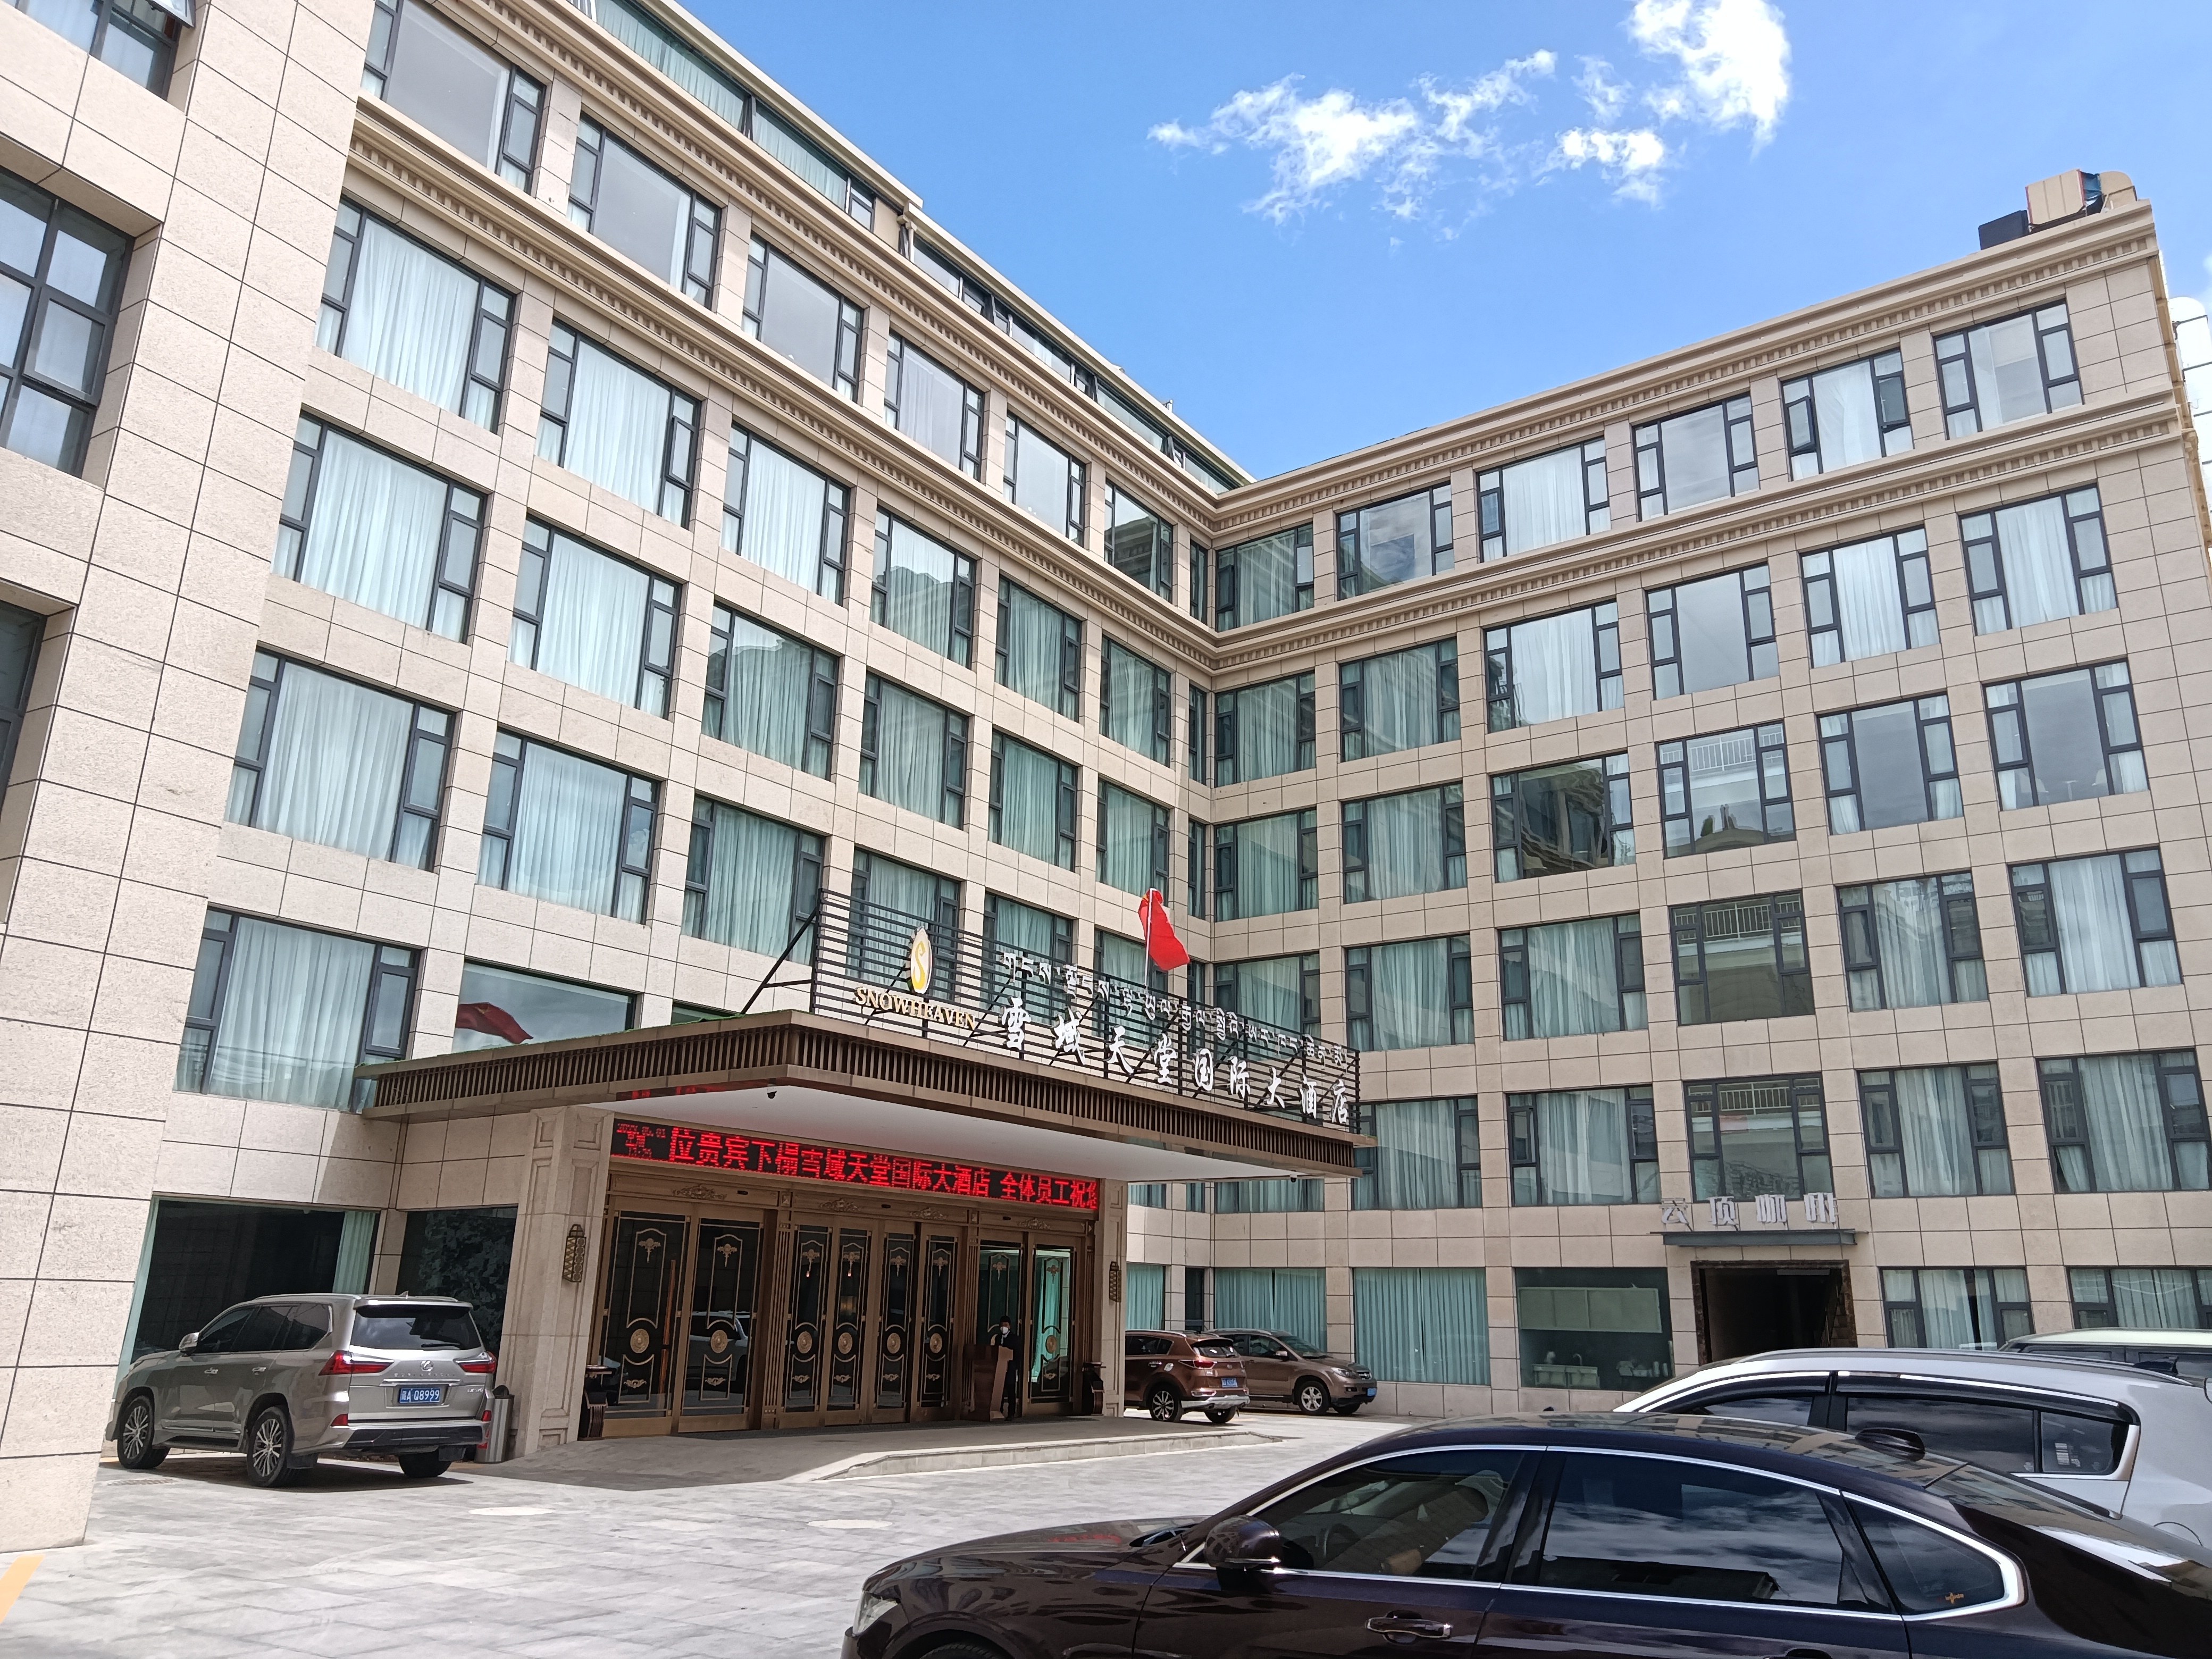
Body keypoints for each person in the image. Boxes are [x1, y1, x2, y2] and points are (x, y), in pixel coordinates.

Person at [988, 1316, 1020, 1418]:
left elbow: (1017, 1354)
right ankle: (999, 1411)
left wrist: (1015, 1366)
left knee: (1011, 1391)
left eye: (1006, 1325)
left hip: (1010, 1368)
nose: (1004, 1328)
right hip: (999, 1368)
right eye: (1002, 1325)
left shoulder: (1015, 1338)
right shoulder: (998, 1338)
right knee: (999, 1391)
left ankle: (1011, 1413)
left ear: (1010, 1326)